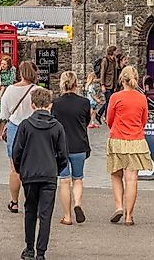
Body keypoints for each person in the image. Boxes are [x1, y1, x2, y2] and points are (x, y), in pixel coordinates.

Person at [12, 87, 68, 260]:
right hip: (49, 173)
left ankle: (29, 249)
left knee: (30, 210)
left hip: (30, 173)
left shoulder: (25, 125)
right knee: (45, 214)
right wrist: (55, 169)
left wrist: (21, 169)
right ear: (50, 105)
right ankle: (41, 252)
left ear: (32, 105)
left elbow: (17, 152)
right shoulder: (57, 126)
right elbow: (63, 155)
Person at [106, 66, 153, 226]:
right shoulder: (142, 98)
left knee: (116, 175)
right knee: (132, 179)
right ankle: (129, 216)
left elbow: (109, 120)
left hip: (117, 140)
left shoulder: (115, 97)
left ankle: (119, 206)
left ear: (121, 79)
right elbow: (144, 120)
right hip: (136, 141)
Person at [50, 71, 92, 226]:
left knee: (64, 181)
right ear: (76, 84)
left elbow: (53, 123)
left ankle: (67, 216)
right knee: (78, 178)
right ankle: (77, 204)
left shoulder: (56, 103)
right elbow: (86, 121)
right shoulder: (84, 102)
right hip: (79, 145)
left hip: (61, 146)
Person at [0, 60, 38, 214]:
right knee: (32, 168)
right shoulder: (37, 90)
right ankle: (31, 202)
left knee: (15, 169)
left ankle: (14, 202)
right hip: (34, 128)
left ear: (20, 73)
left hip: (15, 128)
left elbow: (4, 114)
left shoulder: (9, 90)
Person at [96, 46, 119, 123]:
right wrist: (102, 85)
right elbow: (103, 73)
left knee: (109, 101)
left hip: (112, 85)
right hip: (106, 84)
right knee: (109, 101)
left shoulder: (114, 60)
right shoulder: (105, 60)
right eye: (115, 51)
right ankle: (106, 117)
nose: (116, 52)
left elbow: (115, 74)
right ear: (112, 51)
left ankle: (99, 114)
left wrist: (115, 85)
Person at [0, 55, 17, 138]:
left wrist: (2, 84)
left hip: (9, 92)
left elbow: (11, 81)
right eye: (1, 63)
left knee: (9, 112)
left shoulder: (12, 69)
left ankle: (7, 131)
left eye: (4, 64)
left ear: (8, 64)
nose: (2, 65)